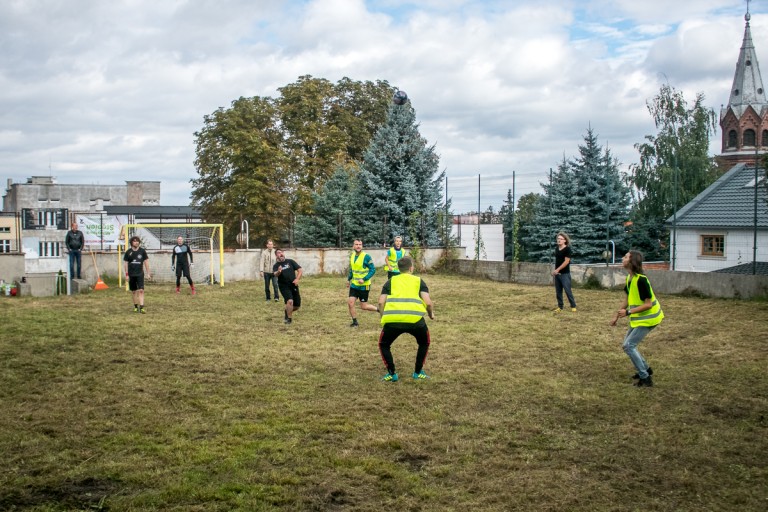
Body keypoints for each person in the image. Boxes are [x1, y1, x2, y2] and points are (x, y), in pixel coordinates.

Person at [609, 250, 664, 387]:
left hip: (649, 319)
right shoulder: (630, 278)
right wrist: (617, 315)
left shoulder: (641, 280)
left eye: (626, 257)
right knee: (627, 345)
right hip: (638, 319)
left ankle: (645, 378)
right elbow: (627, 298)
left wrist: (628, 312)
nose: (623, 258)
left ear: (632, 262)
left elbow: (648, 304)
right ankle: (646, 369)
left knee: (629, 346)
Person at [377, 256, 435, 382]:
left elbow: (381, 303)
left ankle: (392, 374)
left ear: (398, 268)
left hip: (393, 321)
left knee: (384, 344)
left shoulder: (391, 281)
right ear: (411, 268)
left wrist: (383, 317)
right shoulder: (419, 281)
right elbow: (428, 303)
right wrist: (430, 315)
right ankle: (418, 372)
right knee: (424, 343)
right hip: (416, 321)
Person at [347, 239, 378, 327]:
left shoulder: (366, 257)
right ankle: (355, 322)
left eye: (360, 244)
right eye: (356, 244)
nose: (358, 246)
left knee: (364, 306)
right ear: (353, 246)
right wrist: (348, 279)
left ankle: (379, 310)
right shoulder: (352, 256)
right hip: (354, 285)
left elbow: (373, 270)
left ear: (362, 246)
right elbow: (352, 269)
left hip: (364, 286)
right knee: (350, 303)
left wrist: (364, 279)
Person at [273, 249, 302, 324]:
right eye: (279, 253)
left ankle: (287, 311)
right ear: (276, 255)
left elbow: (300, 270)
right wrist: (279, 271)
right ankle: (289, 319)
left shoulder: (290, 261)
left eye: (282, 252)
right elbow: (275, 274)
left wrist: (297, 279)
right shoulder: (276, 265)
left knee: (297, 306)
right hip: (284, 286)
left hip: (293, 285)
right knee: (290, 301)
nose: (281, 254)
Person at [123, 236, 151, 314]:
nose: (136, 242)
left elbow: (146, 262)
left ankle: (142, 307)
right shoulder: (128, 252)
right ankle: (136, 306)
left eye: (137, 241)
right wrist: (127, 274)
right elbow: (125, 263)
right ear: (131, 242)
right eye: (134, 241)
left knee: (141, 290)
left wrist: (148, 273)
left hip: (140, 274)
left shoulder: (142, 251)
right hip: (131, 274)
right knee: (134, 291)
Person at [552, 231, 577, 312]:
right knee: (558, 292)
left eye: (560, 239)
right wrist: (556, 271)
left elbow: (566, 262)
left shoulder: (567, 249)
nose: (559, 240)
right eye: (558, 238)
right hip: (557, 274)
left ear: (565, 240)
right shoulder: (556, 249)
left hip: (565, 274)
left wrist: (557, 269)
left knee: (567, 290)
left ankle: (573, 306)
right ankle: (560, 307)